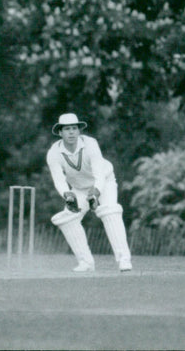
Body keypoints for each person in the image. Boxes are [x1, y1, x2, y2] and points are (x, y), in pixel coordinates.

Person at [46, 113, 132, 272]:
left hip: (103, 182)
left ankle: (124, 260)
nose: (71, 132)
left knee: (109, 212)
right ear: (60, 132)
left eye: (74, 128)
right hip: (78, 189)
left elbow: (99, 172)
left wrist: (96, 192)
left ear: (79, 131)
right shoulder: (53, 153)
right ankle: (86, 262)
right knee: (67, 218)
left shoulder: (90, 144)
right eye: (67, 129)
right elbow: (58, 179)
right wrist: (67, 194)